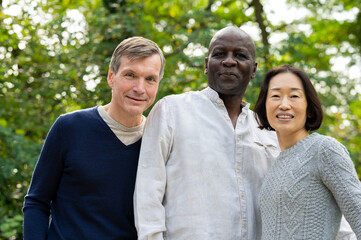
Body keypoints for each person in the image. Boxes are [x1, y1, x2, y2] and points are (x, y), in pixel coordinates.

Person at [133, 26, 356, 240]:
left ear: (254, 69)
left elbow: (319, 201)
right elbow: (147, 193)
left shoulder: (269, 129)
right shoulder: (172, 110)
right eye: (219, 54)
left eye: (240, 55)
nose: (229, 61)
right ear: (206, 64)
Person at [23, 36, 165, 239]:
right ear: (111, 77)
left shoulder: (159, 140)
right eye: (130, 75)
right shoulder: (69, 128)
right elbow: (37, 201)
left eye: (150, 79)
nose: (140, 88)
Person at [254, 64, 361, 239]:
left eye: (294, 96)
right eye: (275, 96)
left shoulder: (324, 149)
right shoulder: (273, 166)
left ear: (309, 109)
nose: (284, 104)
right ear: (265, 107)